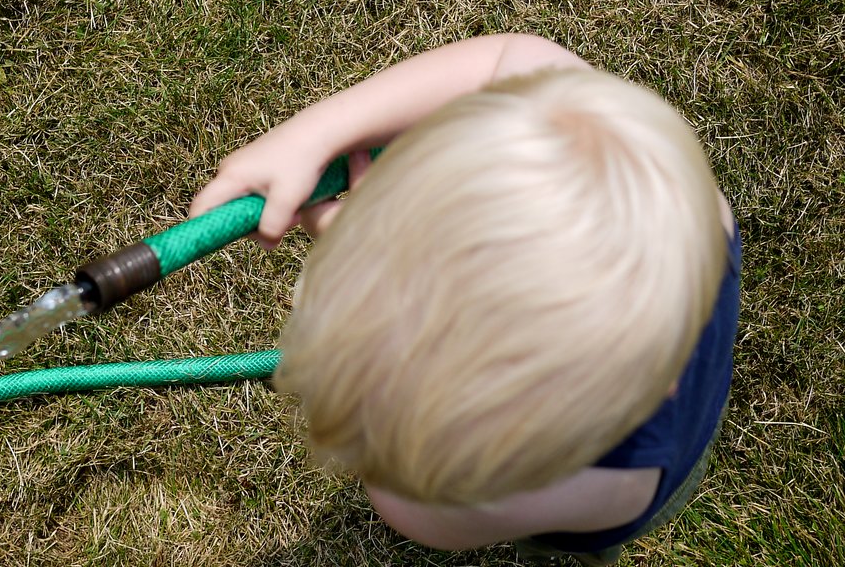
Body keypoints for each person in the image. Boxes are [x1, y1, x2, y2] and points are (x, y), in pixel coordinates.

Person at [190, 33, 741, 565]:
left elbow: (402, 482)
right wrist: (312, 135)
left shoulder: (522, 491)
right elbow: (513, 56)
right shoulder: (664, 202)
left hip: (649, 474)